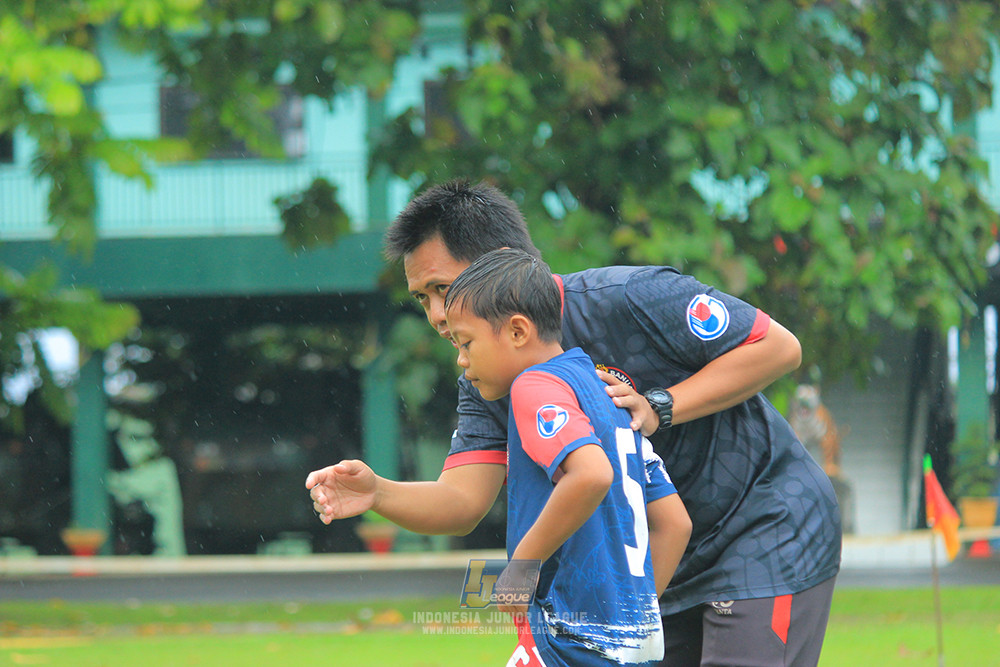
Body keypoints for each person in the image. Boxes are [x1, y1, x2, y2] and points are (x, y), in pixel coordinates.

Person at [308, 179, 842, 667]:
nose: (435, 316)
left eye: (442, 289)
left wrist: (662, 404)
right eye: (422, 298)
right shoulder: (487, 375)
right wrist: (378, 492)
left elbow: (778, 347)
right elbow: (464, 501)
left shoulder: (631, 297)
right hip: (662, 557)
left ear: (499, 265)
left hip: (762, 525)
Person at [444, 247, 689, 666]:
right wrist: (633, 619)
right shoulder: (608, 392)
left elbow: (590, 475)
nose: (462, 362)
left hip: (570, 642)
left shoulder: (534, 386)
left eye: (466, 343)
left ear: (518, 331)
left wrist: (522, 565)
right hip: (635, 647)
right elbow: (675, 523)